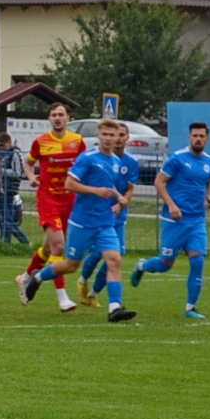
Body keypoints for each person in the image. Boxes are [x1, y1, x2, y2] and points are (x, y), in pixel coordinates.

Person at [21, 119, 136, 322]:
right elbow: (69, 184)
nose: (109, 138)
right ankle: (38, 277)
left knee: (114, 260)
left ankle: (115, 308)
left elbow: (108, 185)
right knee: (71, 265)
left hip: (105, 222)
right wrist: (94, 191)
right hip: (83, 223)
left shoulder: (116, 162)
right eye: (105, 134)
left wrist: (119, 197)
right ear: (99, 135)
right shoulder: (87, 158)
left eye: (113, 135)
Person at [130, 120, 210, 319]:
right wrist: (171, 205)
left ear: (207, 139)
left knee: (198, 261)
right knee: (164, 264)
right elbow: (159, 182)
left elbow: (208, 183)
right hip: (174, 220)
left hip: (196, 221)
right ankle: (142, 266)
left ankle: (190, 308)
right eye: (195, 135)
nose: (198, 139)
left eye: (201, 136)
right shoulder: (177, 158)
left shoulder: (209, 161)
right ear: (189, 137)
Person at [18, 102, 85, 311]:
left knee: (48, 249)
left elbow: (85, 165)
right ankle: (63, 297)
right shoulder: (41, 142)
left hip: (70, 200)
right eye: (54, 115)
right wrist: (31, 177)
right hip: (48, 199)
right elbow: (28, 163)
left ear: (68, 118)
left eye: (61, 114)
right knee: (59, 247)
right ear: (49, 118)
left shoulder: (77, 141)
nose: (57, 118)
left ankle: (26, 277)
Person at [79, 122, 139, 304]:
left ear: (127, 138)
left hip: (118, 215)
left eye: (122, 135)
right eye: (115, 134)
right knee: (98, 253)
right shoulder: (99, 158)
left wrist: (121, 204)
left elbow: (130, 188)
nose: (118, 138)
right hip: (99, 212)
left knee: (114, 257)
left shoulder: (131, 161)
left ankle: (93, 294)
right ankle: (83, 280)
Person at [0, 132, 30, 245]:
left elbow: (17, 172)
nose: (1, 147)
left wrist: (1, 171)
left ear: (9, 142)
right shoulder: (6, 154)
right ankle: (6, 243)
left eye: (3, 145)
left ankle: (25, 241)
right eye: (0, 145)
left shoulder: (14, 153)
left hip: (10, 189)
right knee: (5, 218)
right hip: (5, 188)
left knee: (8, 219)